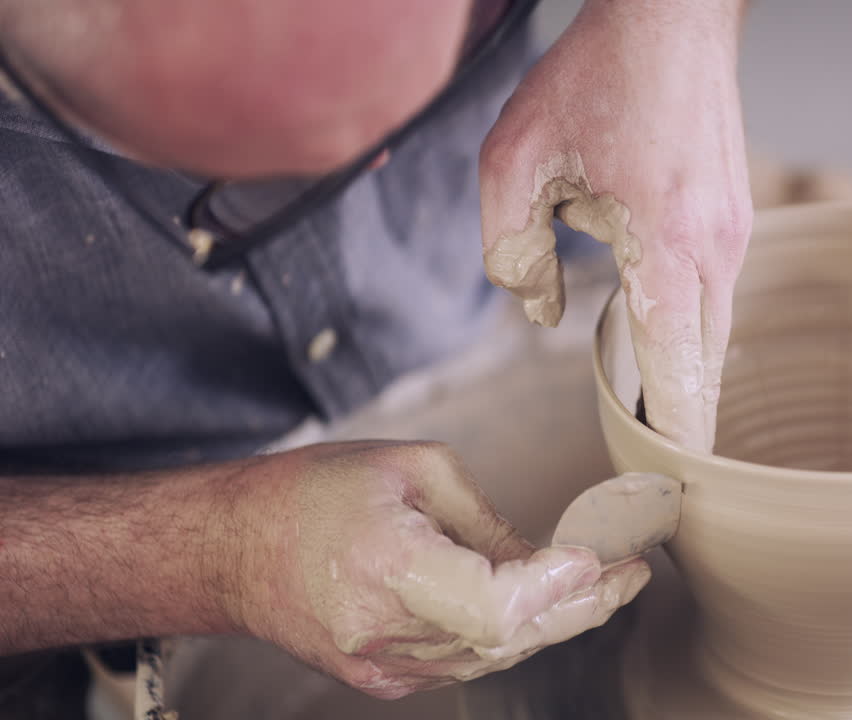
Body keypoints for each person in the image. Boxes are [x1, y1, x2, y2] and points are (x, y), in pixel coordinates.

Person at [0, 0, 750, 710]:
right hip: (76, 515)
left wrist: (668, 28)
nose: (376, 161)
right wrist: (226, 557)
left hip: (473, 287)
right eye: (272, 164)